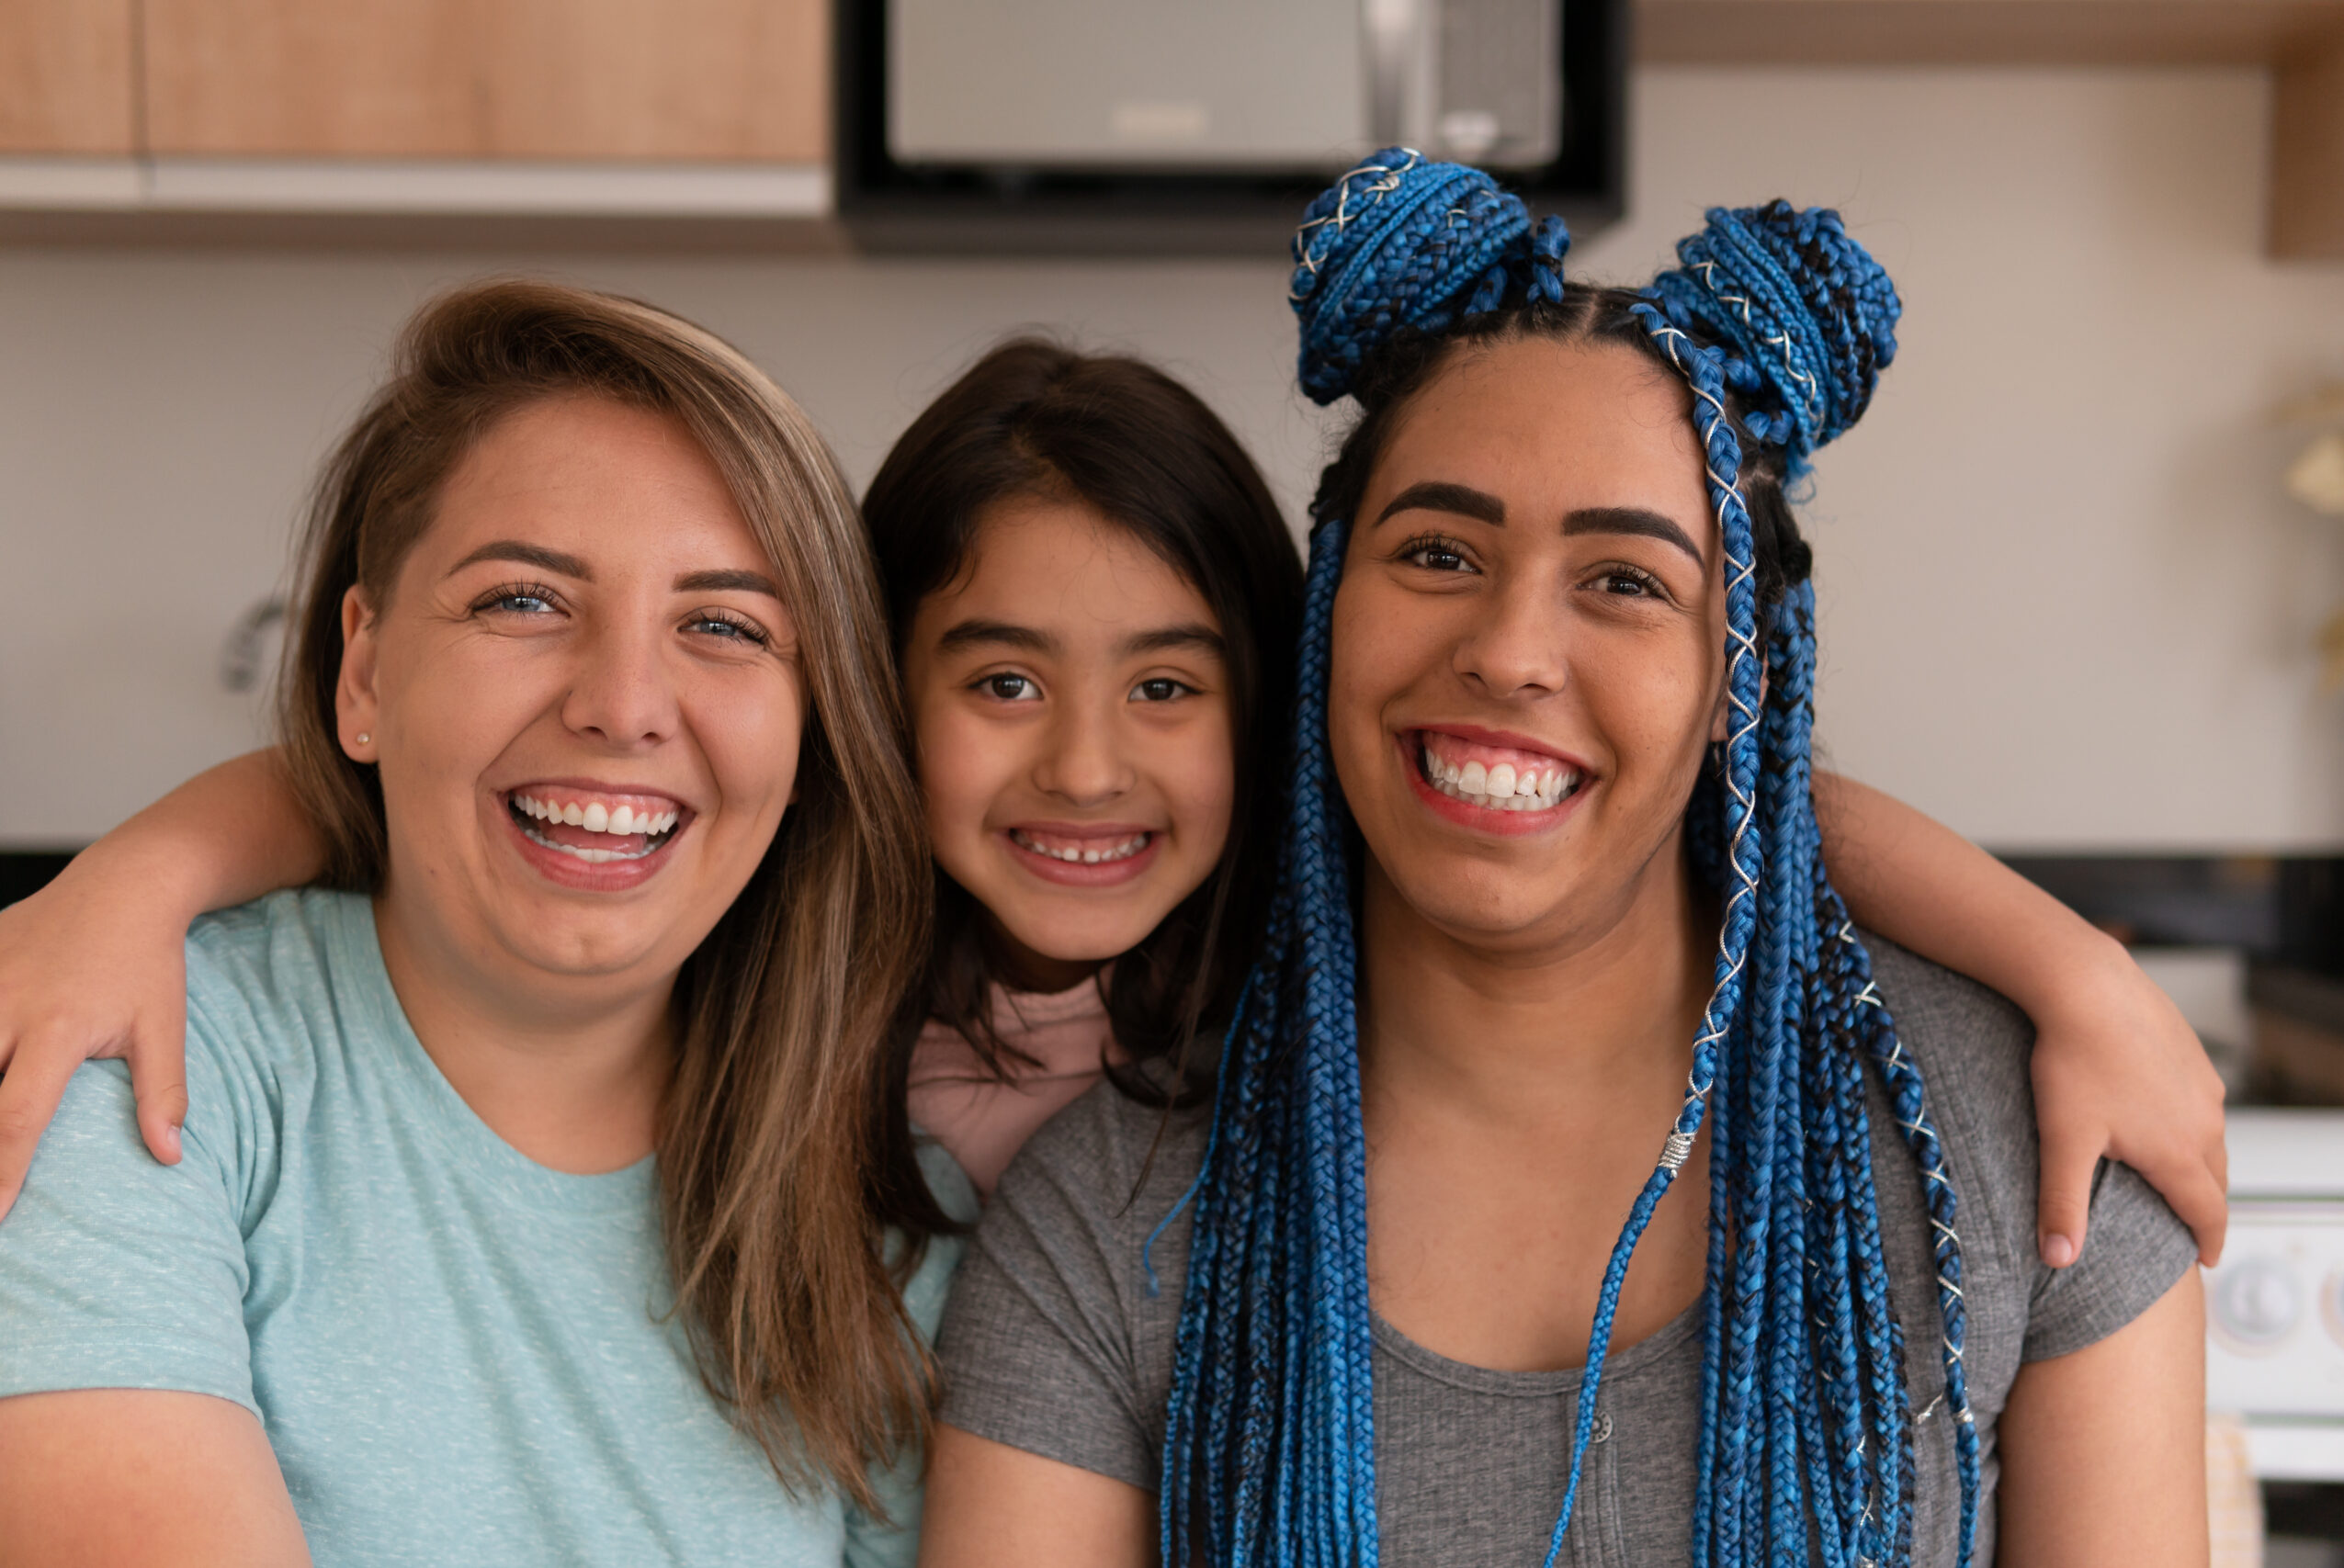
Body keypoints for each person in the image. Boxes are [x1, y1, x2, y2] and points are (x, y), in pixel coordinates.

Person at [0, 345, 2226, 1259]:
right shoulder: (767, 945)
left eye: (1167, 684)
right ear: (864, 695)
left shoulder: (1320, 941)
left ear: (1271, 703)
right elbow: (395, 779)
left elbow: (1722, 788)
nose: (1083, 766)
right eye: (993, 679)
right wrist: (137, 875)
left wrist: (2062, 957)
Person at [921, 155, 2206, 1567]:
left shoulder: (2029, 1150)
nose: (1510, 652)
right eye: (1438, 554)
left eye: (1625, 581)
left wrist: (2075, 969)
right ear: (1329, 618)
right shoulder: (1104, 1222)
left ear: (1737, 677)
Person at [0, 282, 965, 1565]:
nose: (625, 705)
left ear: (810, 736)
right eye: (524, 601)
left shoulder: (887, 1227)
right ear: (366, 671)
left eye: (724, 626)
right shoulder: (139, 1070)